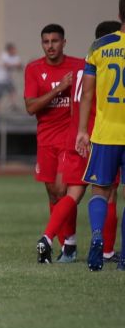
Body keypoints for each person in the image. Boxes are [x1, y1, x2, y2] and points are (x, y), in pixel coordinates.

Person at [35, 21, 120, 263]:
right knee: (108, 193)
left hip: (75, 136)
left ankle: (48, 238)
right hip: (100, 137)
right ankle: (107, 251)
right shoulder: (107, 66)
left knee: (72, 193)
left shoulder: (82, 68)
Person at [24, 24, 83, 261]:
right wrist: (59, 89)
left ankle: (68, 245)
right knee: (53, 194)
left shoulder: (78, 66)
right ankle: (65, 245)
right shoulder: (34, 69)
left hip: (69, 138)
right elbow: (31, 107)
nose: (50, 46)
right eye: (46, 42)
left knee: (62, 189)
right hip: (45, 139)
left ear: (64, 43)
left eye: (55, 41)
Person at [76, 0, 125, 272]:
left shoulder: (99, 46)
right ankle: (124, 257)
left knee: (101, 191)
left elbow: (87, 94)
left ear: (119, 15)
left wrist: (83, 130)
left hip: (105, 133)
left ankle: (97, 236)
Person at [0, 43, 22, 115]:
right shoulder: (4, 55)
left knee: (13, 91)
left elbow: (19, 66)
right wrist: (15, 65)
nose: (15, 51)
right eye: (13, 49)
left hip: (8, 79)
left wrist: (16, 65)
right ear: (9, 50)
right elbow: (6, 65)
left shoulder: (16, 57)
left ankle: (13, 105)